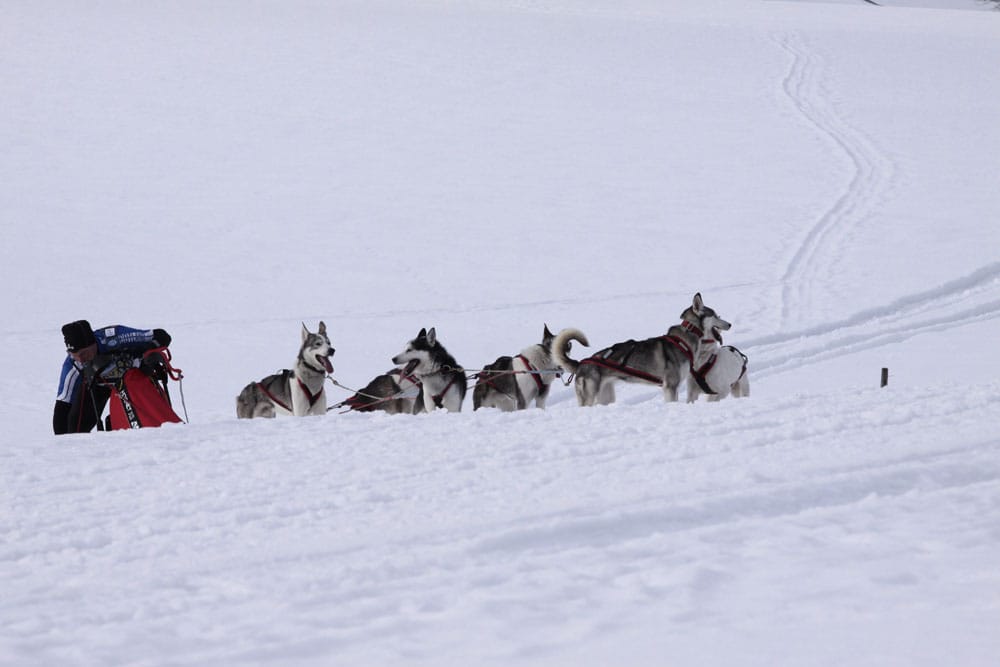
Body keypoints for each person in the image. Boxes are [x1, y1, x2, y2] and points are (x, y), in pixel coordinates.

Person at [53, 320, 172, 435]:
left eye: (84, 353)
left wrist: (143, 352)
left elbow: (162, 336)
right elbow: (63, 404)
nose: (81, 359)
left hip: (132, 380)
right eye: (75, 356)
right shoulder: (72, 364)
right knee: (73, 428)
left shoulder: (115, 337)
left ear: (93, 343)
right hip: (96, 385)